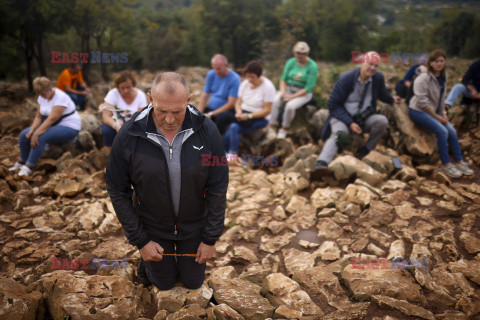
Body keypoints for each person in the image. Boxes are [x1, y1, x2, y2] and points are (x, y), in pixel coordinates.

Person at [106, 72, 228, 290]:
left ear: (188, 101)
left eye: (177, 112)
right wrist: (141, 241)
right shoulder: (129, 134)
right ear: (150, 100)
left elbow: (218, 185)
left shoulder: (207, 130)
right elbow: (117, 189)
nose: (169, 120)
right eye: (162, 111)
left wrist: (210, 238)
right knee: (164, 283)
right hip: (152, 225)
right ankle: (146, 266)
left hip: (193, 225)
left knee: (192, 282)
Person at [312, 51, 401, 177]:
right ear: (363, 62)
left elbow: (381, 93)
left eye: (376, 65)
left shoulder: (377, 78)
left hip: (363, 118)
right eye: (370, 64)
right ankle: (322, 163)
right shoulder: (346, 79)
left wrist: (392, 99)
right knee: (339, 134)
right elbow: (333, 105)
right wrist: (350, 123)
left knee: (382, 121)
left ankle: (365, 151)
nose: (373, 68)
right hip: (342, 117)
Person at [408, 49, 473, 178]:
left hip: (434, 110)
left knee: (452, 131)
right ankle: (446, 165)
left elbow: (441, 98)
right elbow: (423, 103)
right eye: (436, 61)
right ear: (430, 63)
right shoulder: (422, 79)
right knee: (442, 131)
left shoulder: (444, 76)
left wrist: (443, 113)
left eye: (442, 61)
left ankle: (459, 162)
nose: (439, 64)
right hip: (418, 110)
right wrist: (437, 117)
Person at [8, 77, 81, 176]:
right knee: (24, 134)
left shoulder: (60, 97)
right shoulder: (42, 96)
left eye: (44, 93)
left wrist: (36, 133)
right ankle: (22, 162)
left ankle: (29, 167)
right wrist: (32, 130)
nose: (42, 96)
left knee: (41, 137)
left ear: (50, 88)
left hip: (68, 126)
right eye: (40, 94)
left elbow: (51, 119)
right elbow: (38, 117)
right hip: (52, 123)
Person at [223, 61, 276, 162]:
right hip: (243, 112)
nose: (249, 80)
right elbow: (238, 103)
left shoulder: (268, 87)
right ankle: (229, 153)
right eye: (248, 77)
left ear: (259, 75)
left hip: (258, 117)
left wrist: (249, 116)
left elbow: (267, 110)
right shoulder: (245, 84)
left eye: (252, 77)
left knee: (233, 125)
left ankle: (230, 153)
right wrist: (238, 112)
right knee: (228, 122)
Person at [269, 41, 319, 139]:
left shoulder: (312, 66)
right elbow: (283, 79)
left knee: (290, 106)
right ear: (294, 53)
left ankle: (284, 128)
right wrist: (283, 92)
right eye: (298, 53)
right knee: (275, 100)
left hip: (303, 92)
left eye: (303, 53)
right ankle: (271, 124)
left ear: (307, 54)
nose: (300, 56)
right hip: (289, 88)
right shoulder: (291, 62)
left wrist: (291, 97)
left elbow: (308, 87)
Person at [100, 71, 148, 150]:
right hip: (116, 123)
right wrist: (117, 127)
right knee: (107, 131)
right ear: (118, 87)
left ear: (133, 85)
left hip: (133, 123)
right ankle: (110, 154)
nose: (125, 90)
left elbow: (142, 116)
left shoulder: (140, 95)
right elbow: (106, 116)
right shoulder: (113, 94)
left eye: (128, 87)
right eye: (122, 88)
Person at [198, 54, 241, 135]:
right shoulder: (211, 74)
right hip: (211, 109)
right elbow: (204, 96)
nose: (216, 71)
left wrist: (212, 114)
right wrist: (199, 114)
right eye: (214, 68)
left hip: (224, 111)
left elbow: (231, 104)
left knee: (217, 123)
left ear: (226, 65)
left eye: (219, 69)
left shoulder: (234, 78)